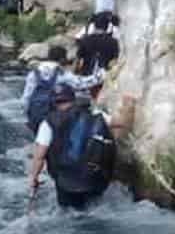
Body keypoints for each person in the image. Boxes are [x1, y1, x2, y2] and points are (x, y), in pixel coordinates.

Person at [28, 80, 135, 210]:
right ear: (73, 99)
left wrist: (34, 178)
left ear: (53, 102)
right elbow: (122, 123)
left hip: (66, 183)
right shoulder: (94, 114)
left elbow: (40, 156)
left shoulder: (47, 123)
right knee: (95, 209)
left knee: (70, 215)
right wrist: (129, 105)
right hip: (95, 179)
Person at [21, 45, 85, 134]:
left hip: (35, 113)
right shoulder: (61, 72)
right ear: (62, 59)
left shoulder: (33, 72)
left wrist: (26, 116)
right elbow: (80, 84)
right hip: (53, 114)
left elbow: (26, 97)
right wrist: (101, 76)